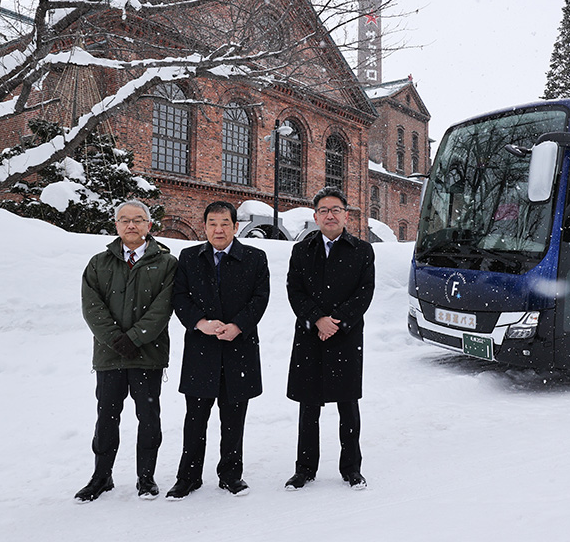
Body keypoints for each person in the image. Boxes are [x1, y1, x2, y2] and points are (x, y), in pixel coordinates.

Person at [166, 201, 270, 499]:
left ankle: (231, 475)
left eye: (225, 223)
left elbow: (260, 298)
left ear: (236, 227)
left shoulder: (254, 258)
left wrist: (238, 325)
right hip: (202, 350)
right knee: (195, 419)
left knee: (233, 418)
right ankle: (188, 477)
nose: (218, 229)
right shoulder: (188, 257)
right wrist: (200, 323)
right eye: (212, 223)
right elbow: (179, 297)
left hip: (239, 349)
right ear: (205, 226)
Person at [76, 199, 177, 502]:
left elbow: (163, 307)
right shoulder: (99, 263)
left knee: (148, 417)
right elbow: (91, 307)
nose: (130, 225)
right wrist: (115, 340)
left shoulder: (166, 264)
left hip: (148, 355)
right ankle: (101, 476)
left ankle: (146, 478)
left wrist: (135, 338)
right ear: (116, 225)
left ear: (149, 225)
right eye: (124, 220)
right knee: (106, 417)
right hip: (110, 357)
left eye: (137, 219)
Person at [285, 186, 375, 491]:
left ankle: (351, 468)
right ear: (315, 216)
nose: (330, 215)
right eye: (323, 210)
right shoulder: (301, 250)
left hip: (345, 337)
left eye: (336, 209)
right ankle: (305, 469)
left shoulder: (362, 250)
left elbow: (364, 293)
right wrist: (317, 319)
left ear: (346, 214)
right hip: (310, 336)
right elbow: (294, 291)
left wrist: (337, 321)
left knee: (347, 405)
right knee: (308, 406)